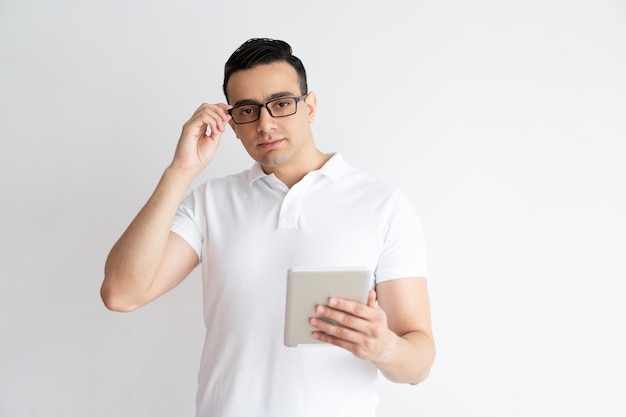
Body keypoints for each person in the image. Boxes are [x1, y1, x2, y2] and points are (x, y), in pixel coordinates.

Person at [101, 38, 435, 417]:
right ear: (232, 122)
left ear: (309, 107)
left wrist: (385, 347)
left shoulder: (382, 204)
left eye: (280, 104)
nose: (265, 124)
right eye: (247, 110)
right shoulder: (212, 201)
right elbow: (121, 294)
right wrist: (181, 172)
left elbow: (419, 362)